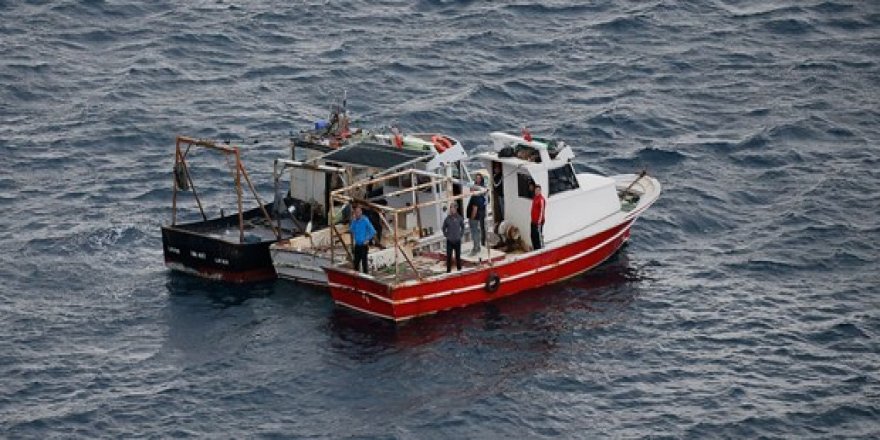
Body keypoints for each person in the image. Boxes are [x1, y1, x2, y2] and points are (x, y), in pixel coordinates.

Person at [349, 205, 376, 274]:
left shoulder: (365, 220)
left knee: (364, 263)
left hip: (364, 245)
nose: (357, 214)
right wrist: (353, 221)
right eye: (356, 213)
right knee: (356, 263)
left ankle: (365, 277)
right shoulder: (355, 221)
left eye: (358, 212)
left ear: (361, 212)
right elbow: (351, 230)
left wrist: (367, 239)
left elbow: (373, 231)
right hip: (357, 245)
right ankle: (356, 277)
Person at [442, 203, 465, 273]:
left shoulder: (460, 218)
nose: (452, 210)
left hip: (457, 241)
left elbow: (463, 227)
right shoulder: (447, 219)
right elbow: (443, 228)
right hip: (449, 241)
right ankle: (448, 271)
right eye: (451, 208)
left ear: (456, 209)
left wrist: (460, 235)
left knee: (458, 257)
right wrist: (446, 235)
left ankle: (459, 270)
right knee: (449, 257)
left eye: (453, 208)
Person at [530, 183, 546, 250]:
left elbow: (542, 211)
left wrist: (539, 221)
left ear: (540, 191)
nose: (537, 191)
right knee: (533, 235)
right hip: (533, 221)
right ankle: (535, 248)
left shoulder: (541, 199)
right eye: (536, 190)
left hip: (538, 222)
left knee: (538, 236)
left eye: (538, 190)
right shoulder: (534, 198)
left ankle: (540, 249)